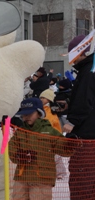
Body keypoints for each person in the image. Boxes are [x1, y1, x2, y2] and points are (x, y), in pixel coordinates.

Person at [9, 98, 73, 200]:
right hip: (22, 176)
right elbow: (12, 148)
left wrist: (70, 143)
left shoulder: (49, 131)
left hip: (42, 177)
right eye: (24, 115)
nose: (26, 117)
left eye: (30, 114)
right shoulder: (20, 131)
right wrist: (19, 155)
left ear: (39, 113)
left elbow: (63, 148)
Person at [63, 34, 95, 199]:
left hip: (86, 137)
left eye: (73, 54)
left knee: (82, 183)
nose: (72, 59)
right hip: (90, 135)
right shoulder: (89, 69)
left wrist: (72, 121)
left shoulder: (89, 72)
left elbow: (85, 100)